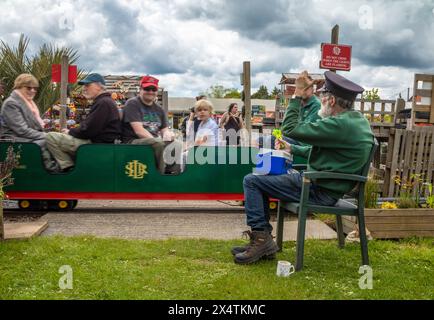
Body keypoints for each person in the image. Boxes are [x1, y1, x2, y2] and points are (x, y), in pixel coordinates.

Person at [233, 71, 374, 264]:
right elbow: (328, 153)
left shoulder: (338, 124)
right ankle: (262, 239)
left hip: (319, 189)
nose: (320, 100)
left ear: (331, 100)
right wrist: (292, 147)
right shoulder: (356, 121)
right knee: (262, 180)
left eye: (323, 97)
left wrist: (297, 94)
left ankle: (261, 239)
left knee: (252, 181)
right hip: (328, 186)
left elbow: (289, 129)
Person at [46, 73, 121, 172]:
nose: (84, 88)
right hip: (101, 144)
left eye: (88, 85)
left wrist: (70, 132)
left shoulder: (103, 102)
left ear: (98, 86)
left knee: (50, 137)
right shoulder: (105, 101)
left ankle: (68, 168)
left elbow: (88, 130)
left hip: (94, 145)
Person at [122, 75, 182, 174]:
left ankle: (172, 175)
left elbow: (164, 130)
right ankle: (159, 177)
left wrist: (168, 134)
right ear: (140, 89)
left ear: (156, 91)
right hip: (132, 141)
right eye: (147, 88)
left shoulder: (159, 109)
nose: (150, 92)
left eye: (153, 89)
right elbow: (139, 131)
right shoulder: (132, 104)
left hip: (153, 141)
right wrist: (158, 141)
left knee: (177, 144)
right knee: (158, 144)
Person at [0, 74, 58, 171]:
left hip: (22, 137)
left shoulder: (28, 103)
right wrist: (45, 135)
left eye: (35, 88)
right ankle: (50, 170)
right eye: (28, 88)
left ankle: (60, 167)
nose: (32, 91)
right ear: (18, 87)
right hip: (13, 139)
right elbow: (21, 130)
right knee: (45, 141)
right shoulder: (11, 103)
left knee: (56, 139)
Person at [258, 71, 321, 149]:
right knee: (260, 140)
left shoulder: (316, 105)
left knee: (266, 141)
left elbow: (303, 133)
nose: (302, 90)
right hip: (294, 139)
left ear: (312, 89)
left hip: (303, 144)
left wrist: (296, 97)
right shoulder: (298, 103)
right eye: (300, 87)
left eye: (306, 87)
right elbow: (285, 125)